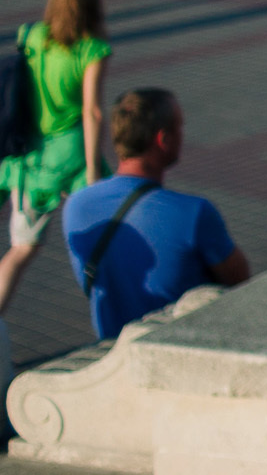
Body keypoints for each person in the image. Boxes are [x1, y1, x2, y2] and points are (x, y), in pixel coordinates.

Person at [62, 88, 250, 340]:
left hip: (111, 350)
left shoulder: (77, 205)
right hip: (179, 346)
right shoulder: (194, 213)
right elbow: (242, 281)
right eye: (179, 127)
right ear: (163, 140)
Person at [0, 0, 111, 317]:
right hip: (73, 154)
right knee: (108, 239)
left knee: (20, 249)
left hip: (30, 159)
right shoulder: (92, 49)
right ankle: (114, 311)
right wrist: (93, 169)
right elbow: (92, 112)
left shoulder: (30, 36)